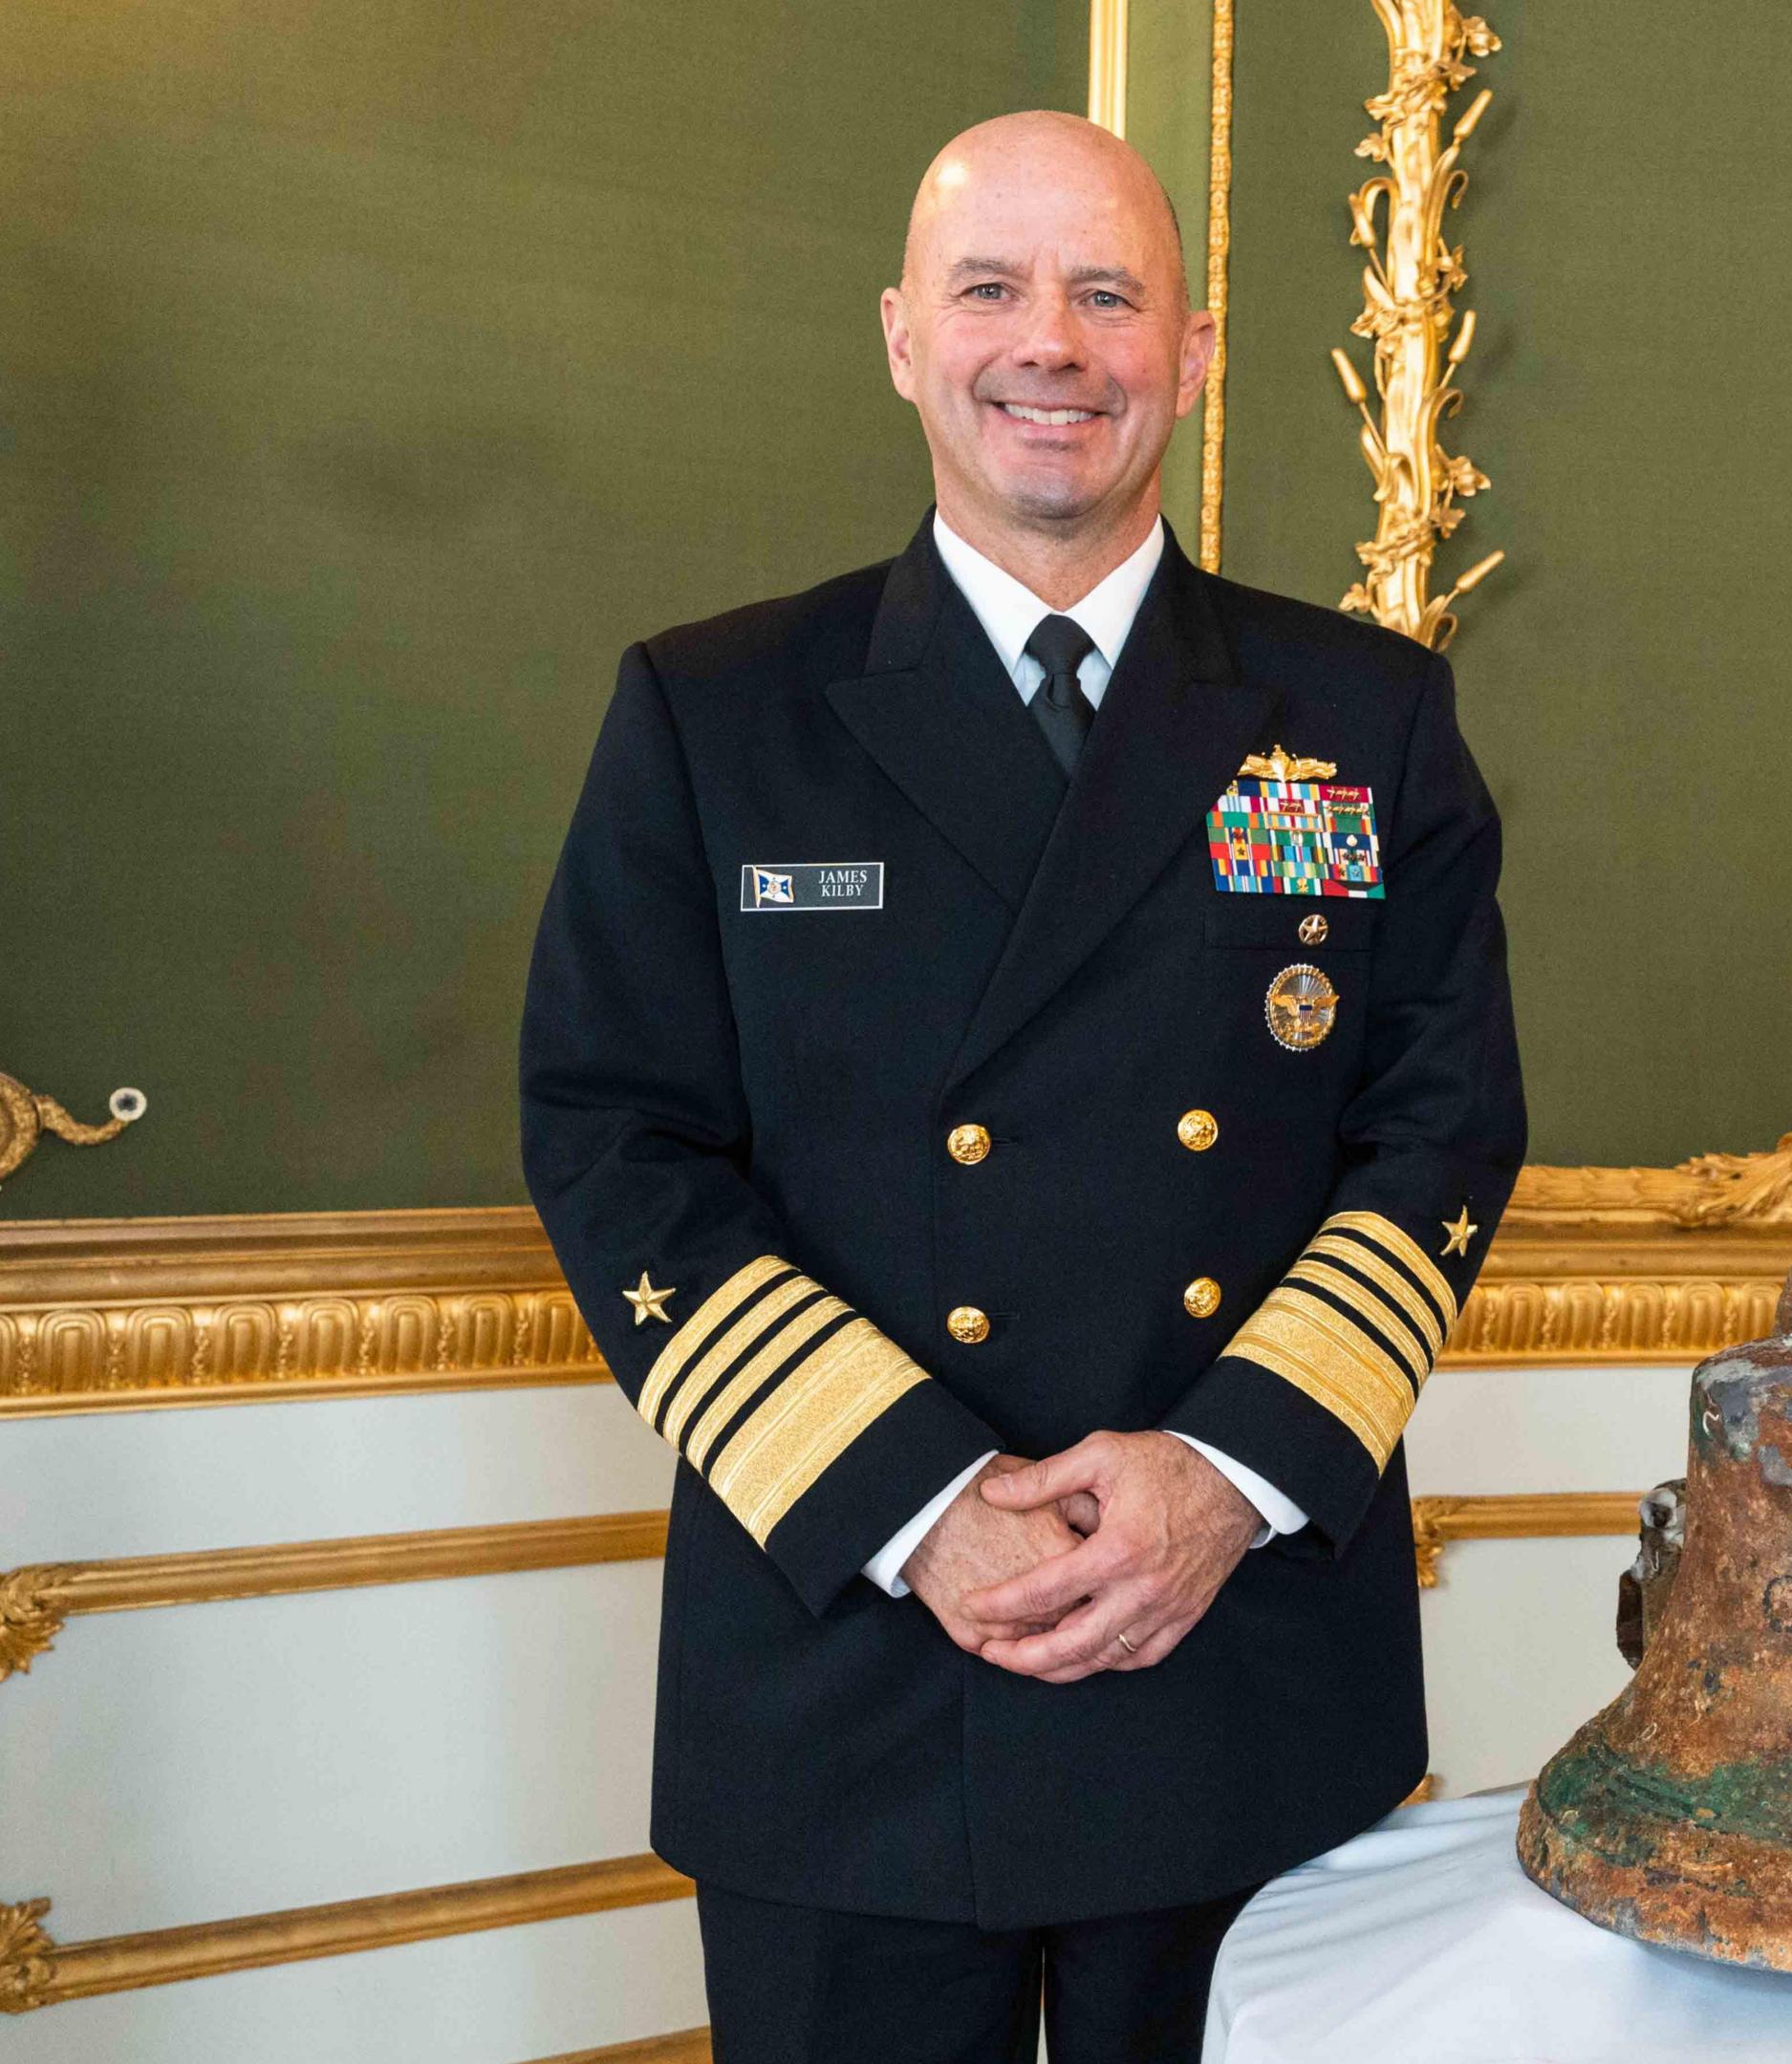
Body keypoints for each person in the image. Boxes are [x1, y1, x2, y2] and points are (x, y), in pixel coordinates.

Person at [519, 111, 1522, 2062]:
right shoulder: (714, 714)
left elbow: (1441, 1128)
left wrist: (1221, 1481)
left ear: (1197, 348)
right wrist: (919, 1502)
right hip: (855, 1656)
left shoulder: (1364, 716)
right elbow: (615, 1137)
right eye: (990, 289)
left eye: (1106, 292)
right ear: (905, 337)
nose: (1047, 343)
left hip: (1235, 1651)